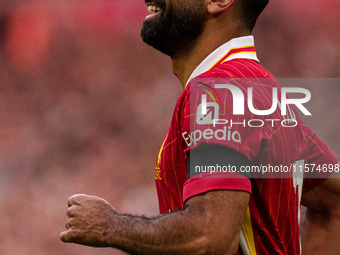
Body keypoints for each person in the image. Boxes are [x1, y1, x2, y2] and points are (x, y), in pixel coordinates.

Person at [60, 0, 340, 254]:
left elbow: (211, 236)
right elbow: (334, 202)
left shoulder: (220, 90)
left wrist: (110, 226)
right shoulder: (260, 91)